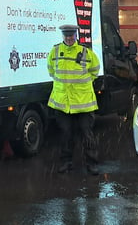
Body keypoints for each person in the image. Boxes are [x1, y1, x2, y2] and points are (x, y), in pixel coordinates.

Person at [47, 23, 101, 175]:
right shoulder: (55, 51)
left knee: (87, 134)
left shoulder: (85, 52)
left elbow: (95, 71)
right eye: (66, 36)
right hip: (63, 103)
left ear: (76, 36)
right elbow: (51, 70)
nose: (69, 38)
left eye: (71, 35)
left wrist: (82, 85)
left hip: (83, 102)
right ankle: (66, 163)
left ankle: (92, 164)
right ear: (63, 36)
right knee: (65, 135)